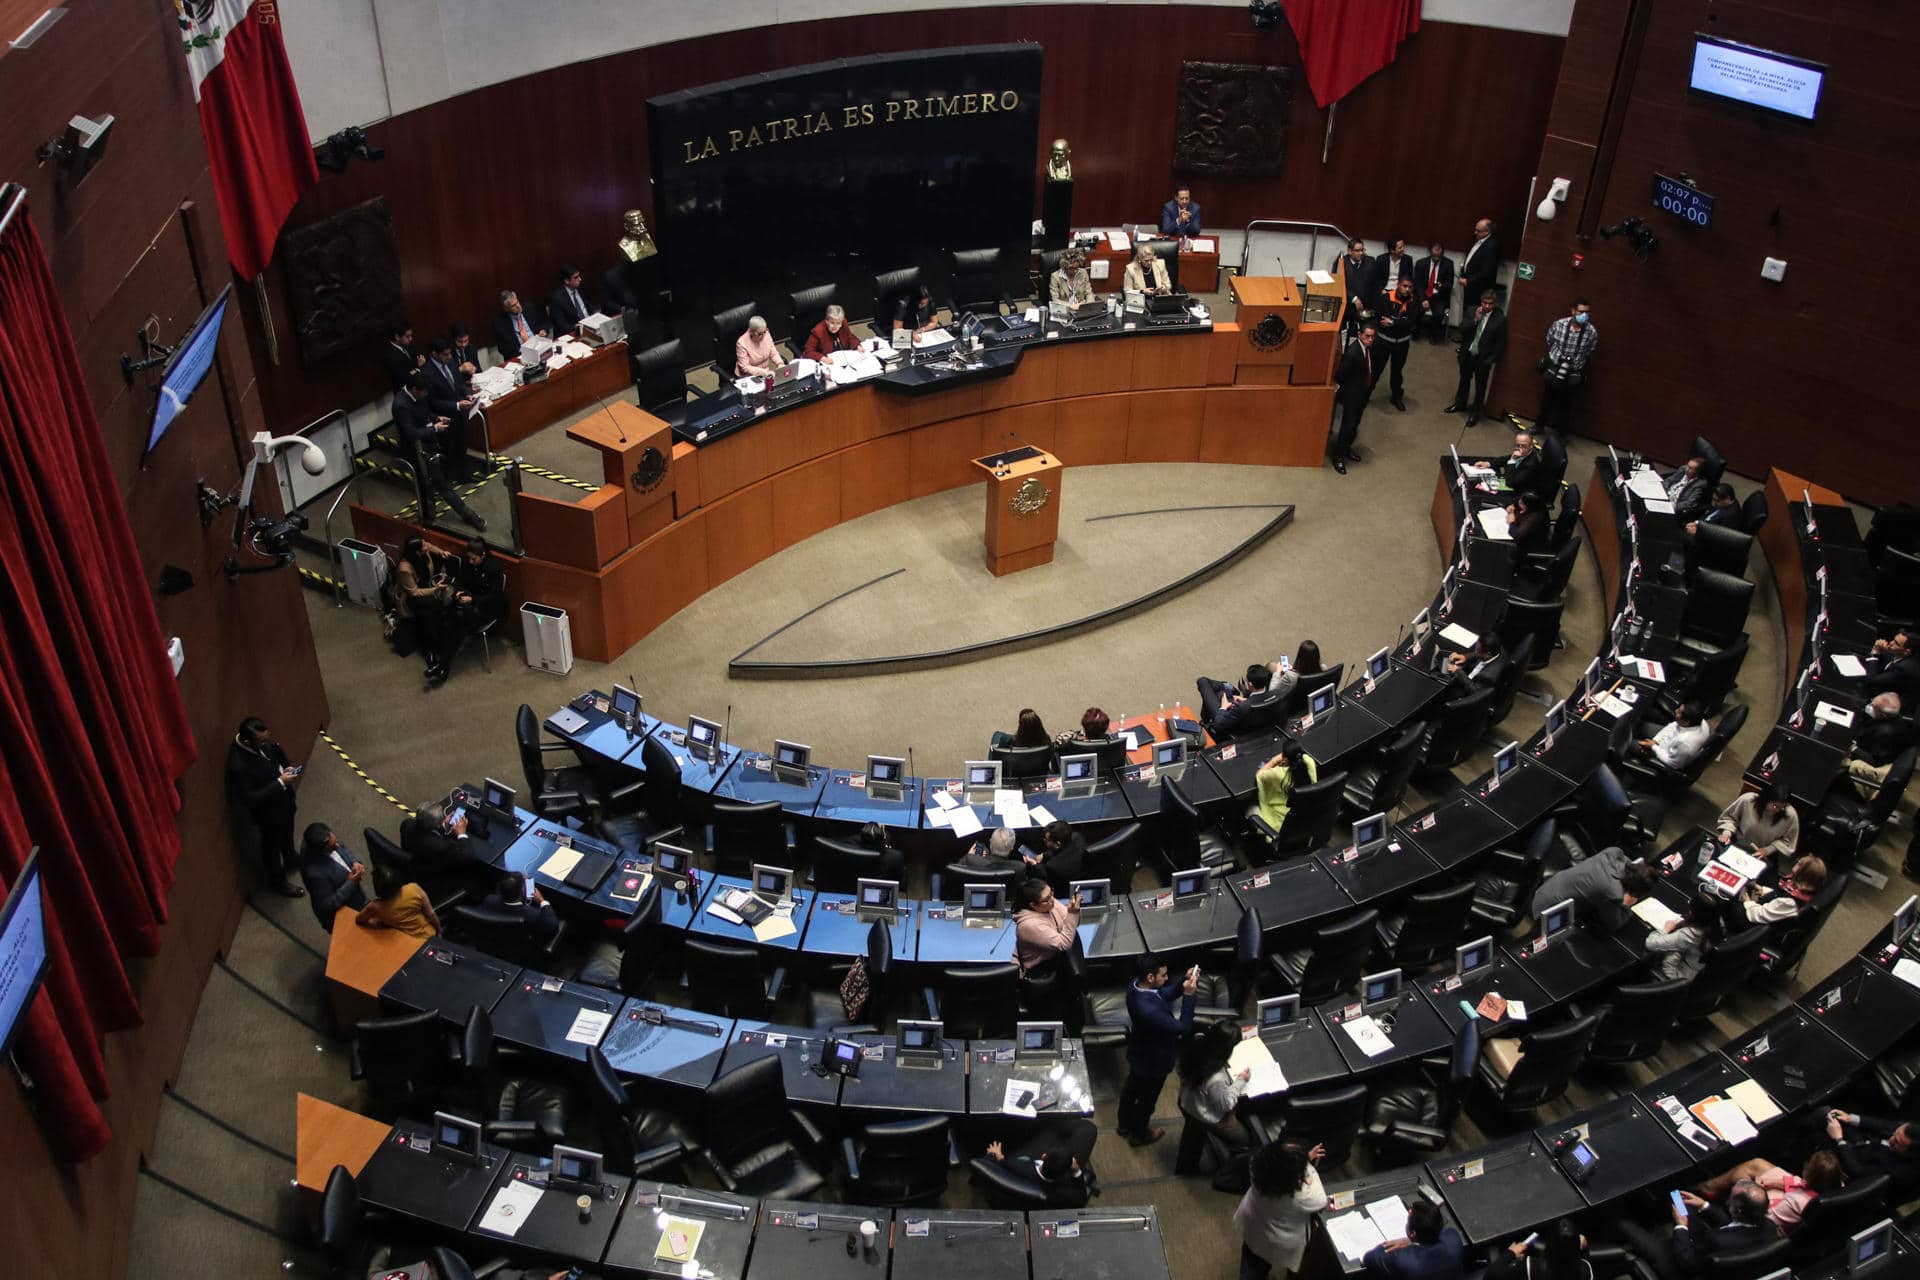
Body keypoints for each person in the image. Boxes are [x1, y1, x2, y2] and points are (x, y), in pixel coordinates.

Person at [1618, 1179, 1771, 1280]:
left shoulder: (1717, 1240)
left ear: (1738, 1211)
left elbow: (1687, 1261)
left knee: (1621, 1222)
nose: (1727, 1199)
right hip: (1704, 1246)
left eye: (1730, 1197)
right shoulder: (1767, 1226)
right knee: (1677, 1197)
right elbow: (1732, 1224)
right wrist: (1704, 1205)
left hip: (1678, 1263)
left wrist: (1681, 1226)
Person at [1119, 955, 1198, 1146]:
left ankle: (1124, 1125)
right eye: (1163, 975)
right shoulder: (1150, 1011)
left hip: (1139, 1051)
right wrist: (1189, 995)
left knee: (1130, 1091)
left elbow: (1163, 995)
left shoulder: (1136, 986)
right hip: (1155, 1061)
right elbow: (1183, 1028)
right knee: (1147, 1100)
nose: (1166, 978)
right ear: (1150, 977)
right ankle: (1139, 1135)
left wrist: (1182, 982)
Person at [393, 374, 485, 532]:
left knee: (437, 484)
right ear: (415, 390)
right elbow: (410, 433)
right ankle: (464, 516)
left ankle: (431, 515)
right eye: (424, 392)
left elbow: (426, 413)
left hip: (429, 446)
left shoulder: (418, 396)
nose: (426, 395)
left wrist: (436, 418)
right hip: (416, 453)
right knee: (436, 485)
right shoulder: (401, 405)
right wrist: (434, 428)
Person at [225, 716, 305, 897]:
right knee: (272, 847)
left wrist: (287, 768)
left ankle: (291, 857)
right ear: (247, 741)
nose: (266, 742)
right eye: (261, 740)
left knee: (287, 832)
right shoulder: (238, 765)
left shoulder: (263, 743)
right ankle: (278, 882)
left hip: (285, 802)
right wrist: (280, 782)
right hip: (268, 814)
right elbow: (250, 798)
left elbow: (276, 756)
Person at [1692, 1149, 1846, 1236]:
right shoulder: (1835, 1183)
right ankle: (1710, 1187)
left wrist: (1758, 1190)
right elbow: (1803, 1184)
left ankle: (1700, 1191)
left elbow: (1762, 1217)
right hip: (1794, 1195)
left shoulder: (1716, 1238)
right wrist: (1777, 1183)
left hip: (1773, 1221)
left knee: (1743, 1180)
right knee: (1756, 1165)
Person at [1235, 1139, 1328, 1280]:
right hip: (1280, 1240)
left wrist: (1303, 1159)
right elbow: (1322, 1200)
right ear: (1294, 1176)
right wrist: (1309, 1166)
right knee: (1298, 1269)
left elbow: (1280, 1169)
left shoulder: (1257, 1166)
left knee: (1252, 1263)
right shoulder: (1301, 1196)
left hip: (1252, 1222)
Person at [1177, 1020, 1257, 1159]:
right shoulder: (1216, 1078)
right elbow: (1226, 1105)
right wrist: (1241, 1081)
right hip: (1206, 1115)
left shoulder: (1197, 1041)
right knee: (1246, 1140)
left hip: (1186, 1101)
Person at [1531, 846, 1657, 934]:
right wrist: (1627, 904)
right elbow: (1615, 924)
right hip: (1549, 910)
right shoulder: (1613, 892)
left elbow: (1626, 862)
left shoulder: (1613, 853)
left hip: (1551, 884)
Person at [981, 1117, 1098, 1207]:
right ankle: (1061, 1122)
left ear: (1044, 1156)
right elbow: (1080, 1199)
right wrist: (1077, 1171)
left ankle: (1058, 1122)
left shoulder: (1014, 1165)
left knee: (1049, 1125)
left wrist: (996, 1156)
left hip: (1029, 1162)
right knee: (1089, 1129)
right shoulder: (1063, 1193)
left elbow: (995, 1163)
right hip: (1057, 1172)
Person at [1362, 1198, 1465, 1280]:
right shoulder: (1453, 1239)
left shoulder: (1402, 1259)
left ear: (1412, 1234)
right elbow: (1444, 1232)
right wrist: (1412, 1240)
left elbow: (1369, 1258)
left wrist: (1409, 1241)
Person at [1536, 299, 1597, 434]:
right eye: (1581, 312)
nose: (1584, 315)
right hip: (1555, 366)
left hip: (1574, 370)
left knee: (1566, 404)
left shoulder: (1591, 331)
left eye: (1587, 312)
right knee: (1547, 399)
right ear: (1573, 311)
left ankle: (1561, 434)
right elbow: (1549, 340)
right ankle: (1539, 426)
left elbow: (1590, 350)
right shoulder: (1560, 324)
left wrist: (1575, 362)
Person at [1824, 1109, 1920, 1194]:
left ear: (1909, 1153)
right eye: (1895, 1134)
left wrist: (1839, 1140)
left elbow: (1858, 1171)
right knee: (1827, 1113)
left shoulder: (1899, 1169)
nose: (1891, 1139)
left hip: (1853, 1162)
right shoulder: (1906, 1131)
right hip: (1865, 1143)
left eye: (1897, 1142)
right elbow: (1884, 1125)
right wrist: (1850, 1118)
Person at [1446, 293, 1506, 425]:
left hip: (1482, 359)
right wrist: (1475, 320)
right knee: (1464, 381)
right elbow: (1462, 329)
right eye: (1484, 303)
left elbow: (1500, 343)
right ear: (1481, 301)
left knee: (1480, 387)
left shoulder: (1499, 319)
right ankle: (1460, 404)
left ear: (1494, 304)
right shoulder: (1472, 311)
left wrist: (1490, 360)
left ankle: (1475, 413)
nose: (1486, 306)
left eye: (1490, 304)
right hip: (1467, 355)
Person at [297, 823, 367, 929]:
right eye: (332, 847)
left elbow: (342, 848)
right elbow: (328, 904)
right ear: (320, 851)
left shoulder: (325, 838)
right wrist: (351, 883)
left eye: (336, 841)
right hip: (344, 915)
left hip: (357, 899)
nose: (337, 846)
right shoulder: (315, 875)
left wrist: (355, 862)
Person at [1848, 691, 1916, 796]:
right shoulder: (1889, 719)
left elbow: (1874, 761)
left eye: (1873, 706)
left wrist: (1853, 748)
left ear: (1883, 715)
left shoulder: (1886, 734)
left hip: (1869, 764)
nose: (1869, 706)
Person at [1645, 890, 1720, 982]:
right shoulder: (1716, 926)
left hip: (1679, 976)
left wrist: (1666, 929)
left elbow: (1650, 944)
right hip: (1696, 969)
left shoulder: (1690, 935)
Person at [355, 861, 441, 939]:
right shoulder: (414, 889)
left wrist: (379, 920)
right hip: (429, 936)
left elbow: (359, 919)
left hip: (406, 945)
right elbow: (431, 914)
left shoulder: (375, 907)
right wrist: (439, 931)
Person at [1331, 323, 1376, 475]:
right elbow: (1340, 375)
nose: (1370, 339)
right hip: (1351, 397)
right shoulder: (1353, 353)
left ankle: (1347, 449)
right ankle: (1338, 457)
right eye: (1367, 336)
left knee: (1354, 425)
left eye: (1372, 336)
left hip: (1361, 395)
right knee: (1347, 427)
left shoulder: (1367, 350)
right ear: (1360, 335)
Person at [1736, 854, 1826, 925]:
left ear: (1804, 873)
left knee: (1732, 895)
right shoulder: (1796, 888)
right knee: (1746, 887)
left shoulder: (1790, 902)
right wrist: (1763, 890)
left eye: (1799, 863)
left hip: (1753, 923)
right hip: (1763, 909)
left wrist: (1747, 902)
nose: (1797, 861)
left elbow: (1758, 916)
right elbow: (1779, 896)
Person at [1487, 1218, 1591, 1280]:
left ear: (1548, 1243)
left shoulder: (1529, 1268)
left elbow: (1491, 1275)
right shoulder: (1585, 1271)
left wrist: (1511, 1253)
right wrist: (1582, 1248)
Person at [1012, 878, 1078, 975]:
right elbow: (1064, 944)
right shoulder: (1029, 925)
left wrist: (1074, 912)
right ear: (1033, 905)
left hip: (1054, 960)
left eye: (1051, 893)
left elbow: (1074, 923)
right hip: (1039, 970)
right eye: (1047, 899)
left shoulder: (1048, 902)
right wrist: (1072, 913)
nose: (1052, 900)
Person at [1714, 784, 1798, 859]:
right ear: (1766, 799)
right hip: (1736, 842)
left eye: (1782, 807)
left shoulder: (1790, 815)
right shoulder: (1748, 800)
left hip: (1763, 854)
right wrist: (1727, 833)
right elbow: (1729, 817)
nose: (1778, 810)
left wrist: (1767, 850)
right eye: (1775, 805)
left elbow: (1788, 841)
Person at [1371, 277, 1416, 411]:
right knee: (1376, 370)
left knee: (1397, 372)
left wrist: (1394, 322)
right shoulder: (1385, 298)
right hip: (1384, 341)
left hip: (1402, 344)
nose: (1407, 289)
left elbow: (1412, 321)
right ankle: (1365, 393)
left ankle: (1396, 396)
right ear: (1398, 285)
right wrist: (1401, 321)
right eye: (1404, 286)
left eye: (1410, 287)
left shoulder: (1414, 302)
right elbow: (1380, 318)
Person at [1197, 663, 1275, 739]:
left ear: (1250, 684)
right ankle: (1226, 688)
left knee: (1203, 682)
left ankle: (1226, 686)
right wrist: (1247, 700)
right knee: (1222, 693)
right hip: (1250, 723)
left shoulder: (1242, 707)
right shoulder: (1272, 694)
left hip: (1229, 726)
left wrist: (1223, 707)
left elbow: (1219, 725)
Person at [482, 872, 562, 946]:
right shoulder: (534, 915)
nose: (526, 881)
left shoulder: (489, 900)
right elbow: (553, 927)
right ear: (523, 891)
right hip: (525, 945)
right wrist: (542, 901)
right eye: (524, 883)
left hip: (497, 939)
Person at [1254, 741, 1317, 834]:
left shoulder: (1280, 773)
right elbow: (1305, 758)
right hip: (1304, 815)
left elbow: (1259, 775)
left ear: (1286, 759)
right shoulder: (1309, 764)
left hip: (1283, 821)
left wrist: (1274, 760)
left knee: (1252, 810)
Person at [451, 536, 506, 639]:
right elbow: (461, 580)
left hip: (487, 605)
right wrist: (458, 591)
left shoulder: (493, 567)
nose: (471, 561)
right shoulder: (468, 563)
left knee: (460, 619)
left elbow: (494, 595)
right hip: (470, 597)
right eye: (469, 558)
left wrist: (473, 599)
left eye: (474, 559)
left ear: (483, 555)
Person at [1630, 702, 1712, 771]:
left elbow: (1673, 764)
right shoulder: (1699, 721)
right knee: (1638, 725)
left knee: (1627, 741)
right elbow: (1673, 725)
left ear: (1686, 721)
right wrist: (1656, 740)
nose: (1676, 711)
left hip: (1665, 756)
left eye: (1679, 712)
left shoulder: (1685, 742)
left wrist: (1653, 747)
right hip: (1666, 742)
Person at [1025, 820, 1090, 895]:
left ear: (1057, 844)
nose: (1044, 840)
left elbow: (1045, 876)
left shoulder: (1053, 867)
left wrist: (1034, 865)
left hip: (1064, 891)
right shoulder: (1078, 837)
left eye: (1046, 840)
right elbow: (1061, 850)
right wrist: (1044, 855)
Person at [1413, 242, 1455, 344]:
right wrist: (1423, 299)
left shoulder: (1448, 264)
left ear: (1442, 252)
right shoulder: (1421, 263)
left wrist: (1442, 286)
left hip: (1439, 295)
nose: (1436, 256)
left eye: (1438, 254)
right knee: (1416, 309)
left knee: (1439, 314)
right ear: (1430, 251)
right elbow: (1417, 284)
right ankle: (1415, 331)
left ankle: (1433, 334)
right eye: (1434, 254)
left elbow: (1449, 284)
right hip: (1424, 294)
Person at [1861, 628, 1919, 702]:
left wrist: (1874, 654)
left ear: (1906, 652)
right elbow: (1887, 656)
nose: (1891, 643)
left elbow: (1872, 682)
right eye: (1893, 640)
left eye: (1896, 643)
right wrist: (1882, 650)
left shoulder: (1902, 669)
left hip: (1891, 703)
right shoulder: (1902, 654)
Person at [424, 337, 475, 420]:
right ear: (434, 354)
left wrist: (467, 394)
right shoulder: (427, 373)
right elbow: (433, 402)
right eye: (445, 354)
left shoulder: (450, 361)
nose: (450, 357)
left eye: (450, 353)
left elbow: (460, 383)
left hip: (463, 413)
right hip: (447, 418)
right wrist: (457, 405)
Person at [1460, 217, 1501, 316]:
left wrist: (1468, 281)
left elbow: (1487, 272)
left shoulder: (1492, 246)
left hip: (1479, 290)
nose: (1475, 233)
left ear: (1487, 232)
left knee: (1474, 316)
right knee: (1468, 314)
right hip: (1470, 287)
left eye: (1478, 231)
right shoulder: (1479, 240)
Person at [1334, 239, 1376, 332]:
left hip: (1365, 305)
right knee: (1342, 330)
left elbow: (1373, 283)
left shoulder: (1370, 261)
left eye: (1362, 250)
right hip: (1347, 303)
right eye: (1357, 250)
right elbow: (1339, 284)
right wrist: (1354, 298)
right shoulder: (1342, 263)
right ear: (1349, 251)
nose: (1361, 253)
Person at [492, 290, 547, 361]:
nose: (518, 306)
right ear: (506, 309)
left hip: (539, 348)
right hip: (519, 356)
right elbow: (503, 349)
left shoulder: (529, 309)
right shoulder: (500, 323)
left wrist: (544, 330)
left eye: (517, 302)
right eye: (513, 306)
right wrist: (522, 350)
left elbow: (545, 323)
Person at [545, 265, 595, 334]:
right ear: (567, 281)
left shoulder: (582, 288)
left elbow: (589, 308)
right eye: (576, 278)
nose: (580, 279)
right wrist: (579, 327)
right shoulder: (556, 298)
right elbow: (561, 325)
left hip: (591, 327)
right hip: (573, 332)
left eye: (579, 276)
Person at [960, 826, 1028, 876]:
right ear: (1012, 848)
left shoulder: (971, 860)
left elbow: (956, 871)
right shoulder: (1020, 867)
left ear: (990, 843)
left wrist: (968, 856)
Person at [1663, 455, 1712, 523]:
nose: (1687, 469)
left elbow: (1690, 503)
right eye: (1688, 466)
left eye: (1691, 468)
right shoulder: (1683, 469)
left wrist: (1672, 506)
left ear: (1698, 472)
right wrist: (1662, 491)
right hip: (1664, 495)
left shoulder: (1700, 484)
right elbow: (1669, 480)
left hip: (1674, 506)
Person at [382, 319, 423, 390]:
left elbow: (420, 359)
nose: (411, 339)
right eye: (407, 336)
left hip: (421, 385)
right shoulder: (390, 356)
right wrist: (417, 367)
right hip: (407, 391)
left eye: (411, 335)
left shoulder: (409, 346)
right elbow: (403, 378)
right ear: (397, 337)